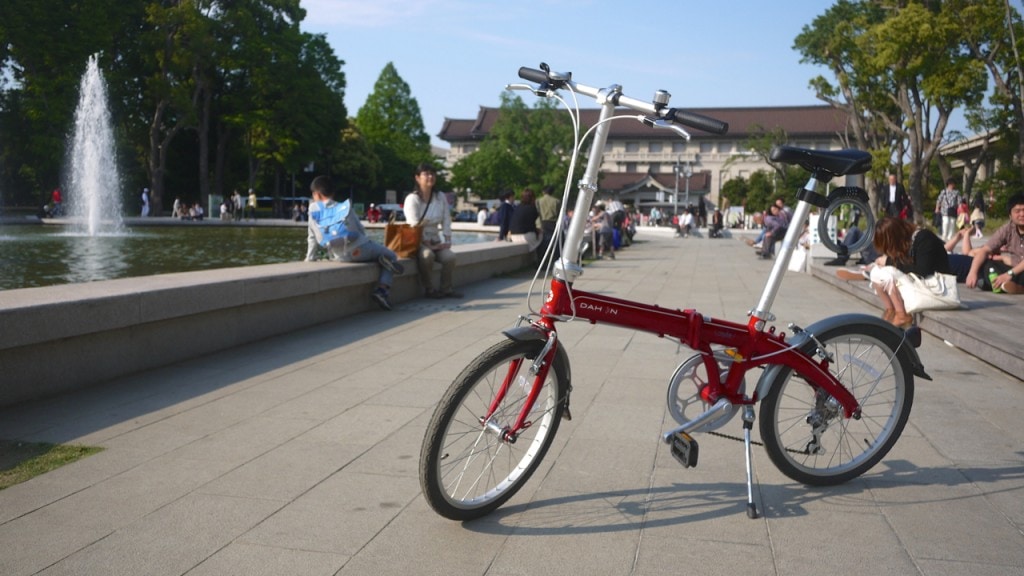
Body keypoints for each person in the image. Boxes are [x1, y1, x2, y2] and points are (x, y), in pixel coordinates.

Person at [306, 175, 404, 310]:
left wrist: (309, 259)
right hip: (361, 249)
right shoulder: (343, 207)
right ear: (332, 193)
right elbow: (360, 229)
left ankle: (379, 260)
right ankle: (382, 290)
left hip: (340, 256)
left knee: (378, 256)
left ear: (316, 194)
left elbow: (312, 238)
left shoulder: (313, 212)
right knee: (391, 256)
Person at [868, 217, 951, 328]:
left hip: (938, 289)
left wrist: (888, 262)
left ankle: (902, 315)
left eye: (888, 248)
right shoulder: (906, 243)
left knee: (889, 273)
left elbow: (923, 271)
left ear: (895, 238)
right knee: (876, 272)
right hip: (922, 286)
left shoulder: (924, 238)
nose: (888, 252)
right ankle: (891, 309)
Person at [404, 163, 462, 298]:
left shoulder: (440, 196)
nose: (430, 176)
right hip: (419, 241)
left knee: (450, 257)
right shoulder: (412, 199)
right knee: (427, 256)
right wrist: (427, 243)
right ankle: (429, 289)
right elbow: (413, 225)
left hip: (436, 239)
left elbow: (446, 219)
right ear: (417, 178)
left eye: (432, 173)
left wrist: (447, 239)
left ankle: (446, 289)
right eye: (426, 174)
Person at [965, 193, 1024, 294]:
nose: (1022, 214)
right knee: (987, 264)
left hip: (1017, 271)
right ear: (1010, 215)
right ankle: (1001, 284)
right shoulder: (1008, 229)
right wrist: (972, 272)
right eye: (1017, 211)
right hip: (1015, 269)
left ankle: (1015, 287)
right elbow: (985, 250)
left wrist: (1009, 274)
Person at [508, 187, 542, 254]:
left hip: (513, 236)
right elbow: (532, 225)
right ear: (533, 198)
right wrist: (538, 231)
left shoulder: (517, 207)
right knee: (542, 235)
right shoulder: (532, 208)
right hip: (526, 237)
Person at [536, 185, 560, 255]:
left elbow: (537, 213)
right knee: (555, 242)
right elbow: (559, 214)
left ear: (543, 192)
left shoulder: (538, 201)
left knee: (543, 242)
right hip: (553, 223)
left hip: (542, 222)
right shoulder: (556, 201)